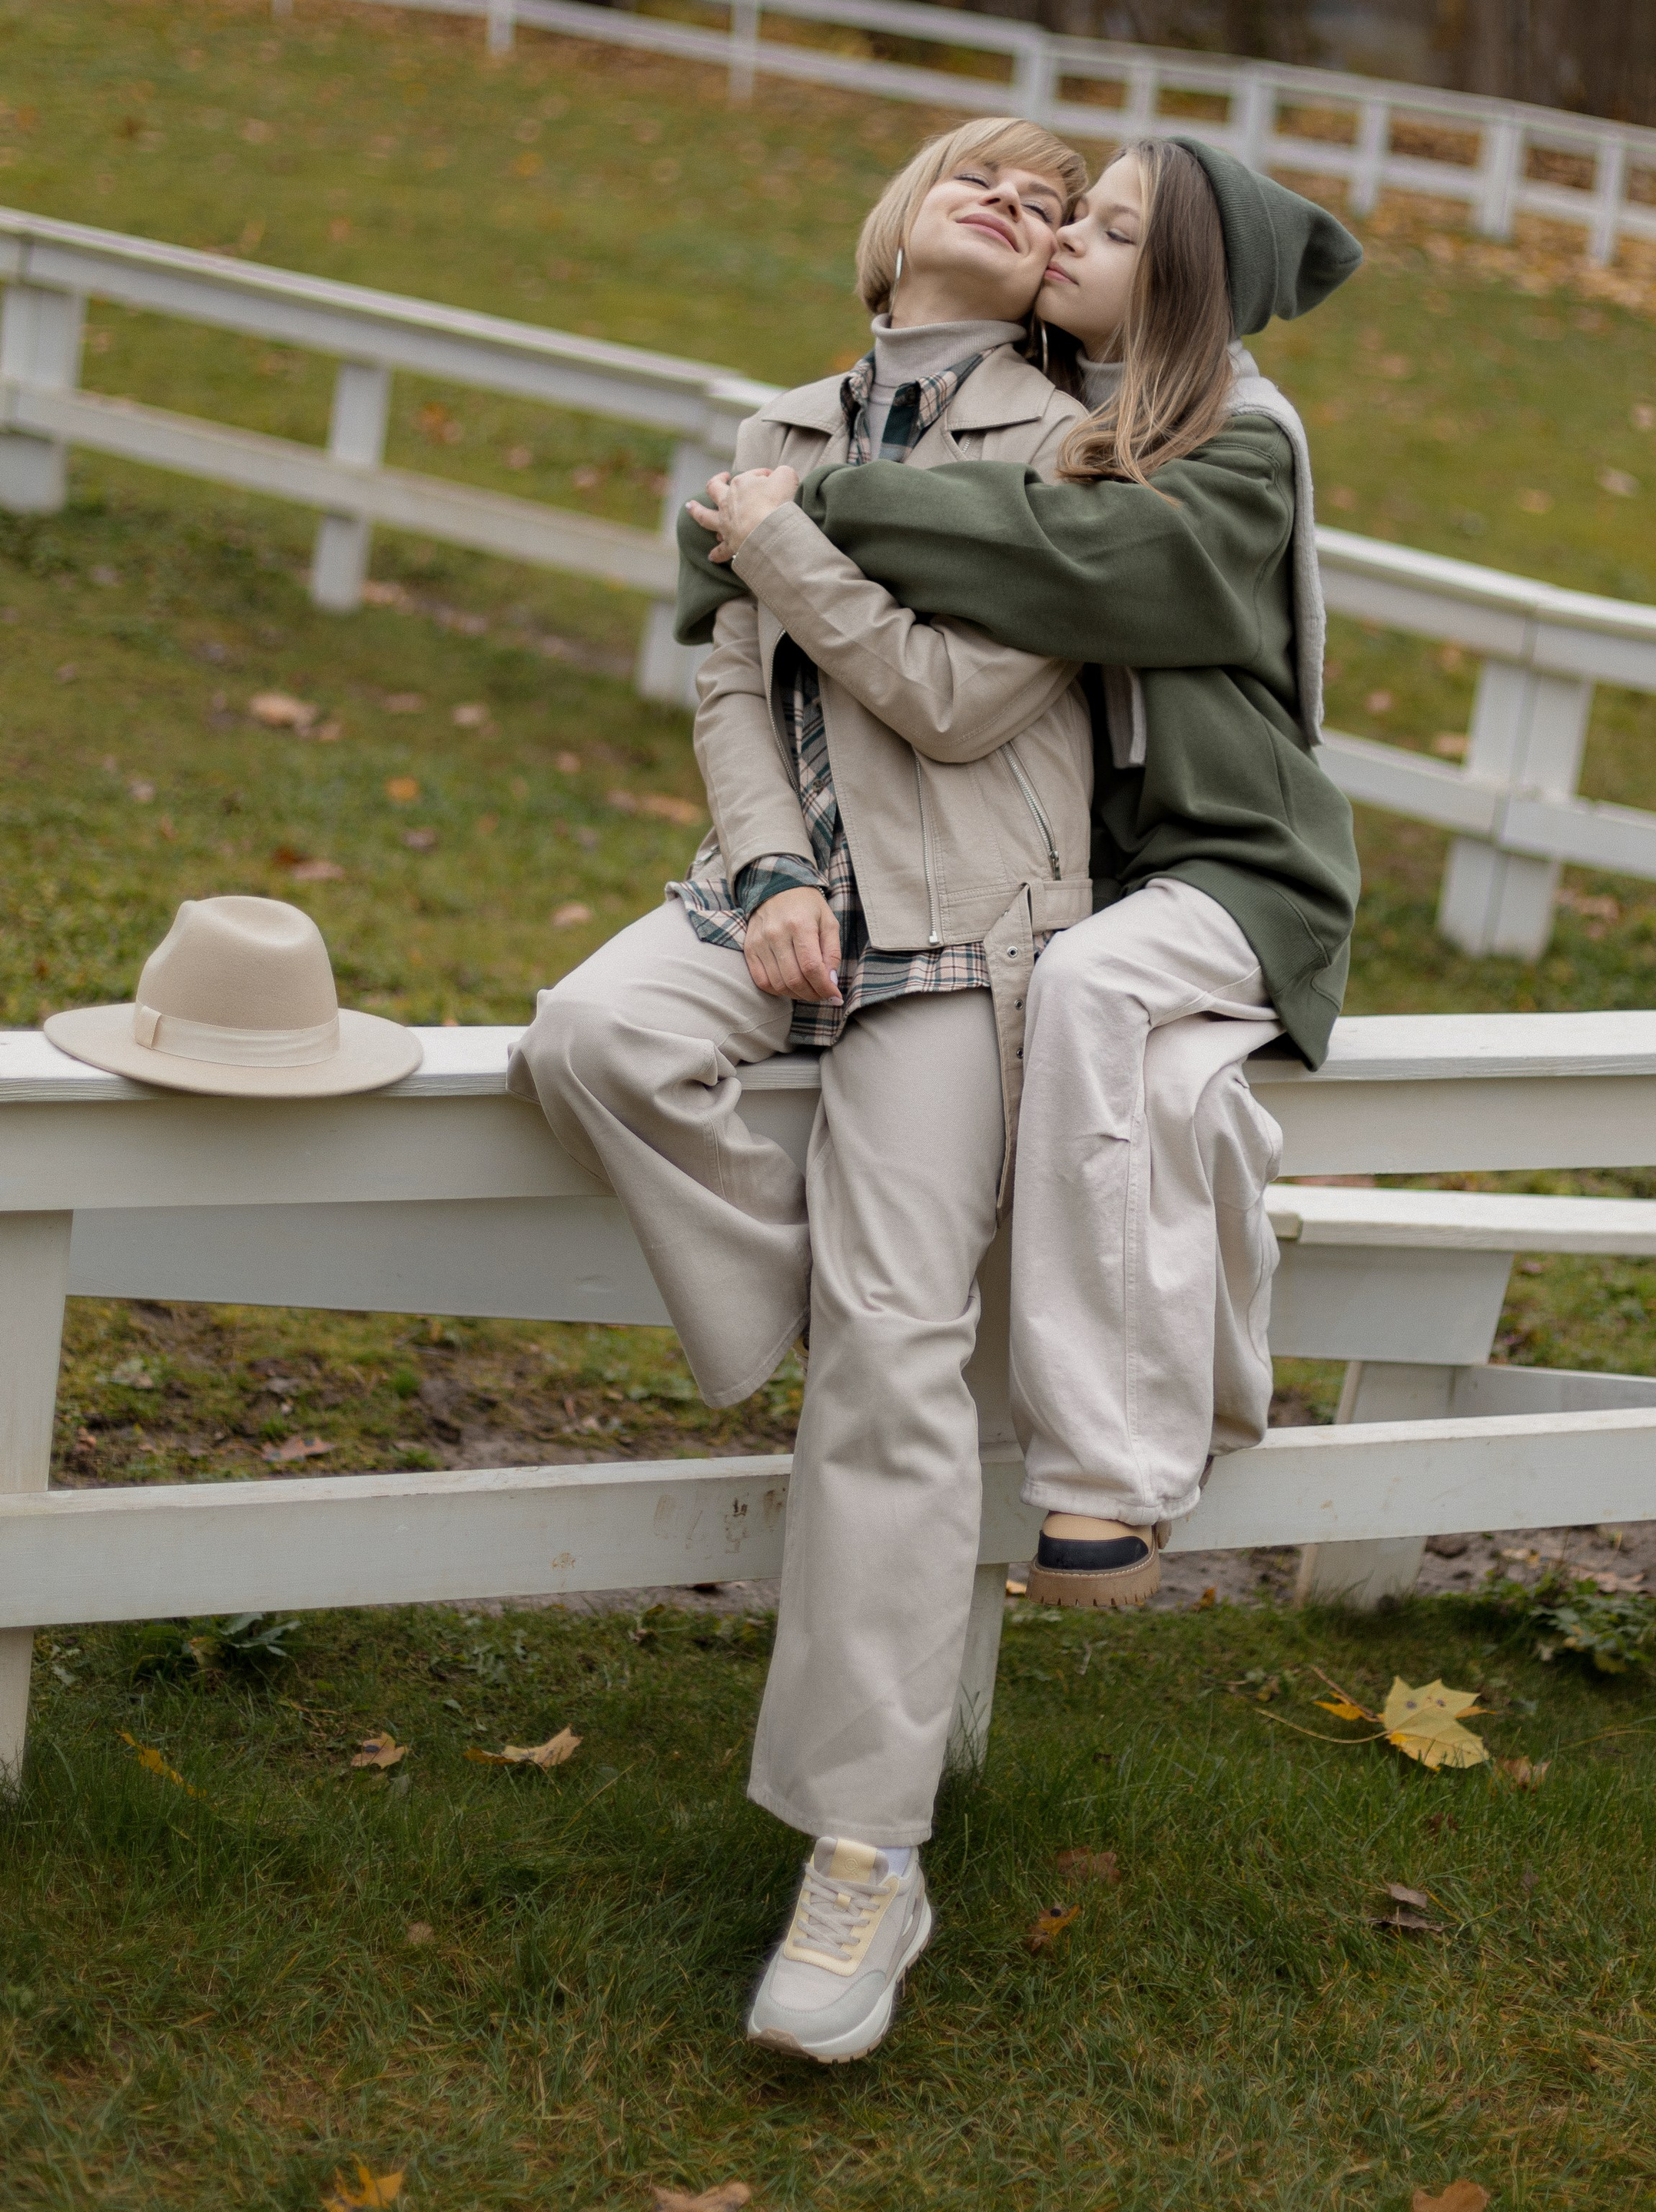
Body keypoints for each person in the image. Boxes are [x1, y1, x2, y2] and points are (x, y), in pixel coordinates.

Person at [510, 116, 1095, 2066]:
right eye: (977, 178)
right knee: (588, 1040)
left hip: (965, 920)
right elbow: (728, 682)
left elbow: (961, 698)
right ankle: (793, 1294)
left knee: (900, 1369)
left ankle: (866, 1855)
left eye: (1047, 198)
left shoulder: (1073, 448)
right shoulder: (787, 410)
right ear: (901, 222)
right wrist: (760, 874)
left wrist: (774, 538)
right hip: (778, 892)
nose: (1011, 203)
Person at [685, 135, 1360, 1614]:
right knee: (1089, 1019)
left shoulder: (1237, 447)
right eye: (1078, 216)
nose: (1064, 242)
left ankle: (1103, 1490)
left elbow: (1080, 556)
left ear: (1178, 285)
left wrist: (815, 508)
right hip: (1126, 872)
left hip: (1245, 870)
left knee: (1087, 984)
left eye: (1109, 232)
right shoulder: (1077, 412)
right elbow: (761, 608)